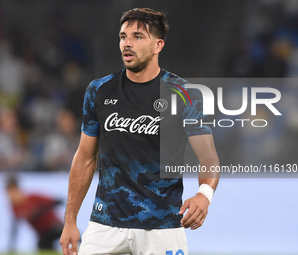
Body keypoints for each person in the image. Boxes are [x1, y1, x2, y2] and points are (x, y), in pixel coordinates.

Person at [60, 8, 220, 255]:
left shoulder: (185, 94)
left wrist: (204, 194)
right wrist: (70, 219)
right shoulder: (99, 91)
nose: (127, 43)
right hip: (105, 225)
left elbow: (208, 158)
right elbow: (85, 157)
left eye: (137, 36)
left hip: (163, 226)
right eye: (123, 36)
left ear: (158, 45)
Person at [6, 177, 64, 252]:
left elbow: (57, 201)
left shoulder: (33, 198)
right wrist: (11, 247)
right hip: (42, 233)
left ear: (18, 190)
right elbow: (15, 227)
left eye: (12, 192)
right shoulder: (15, 208)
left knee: (44, 243)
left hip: (55, 227)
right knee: (43, 246)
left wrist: (38, 211)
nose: (11, 196)